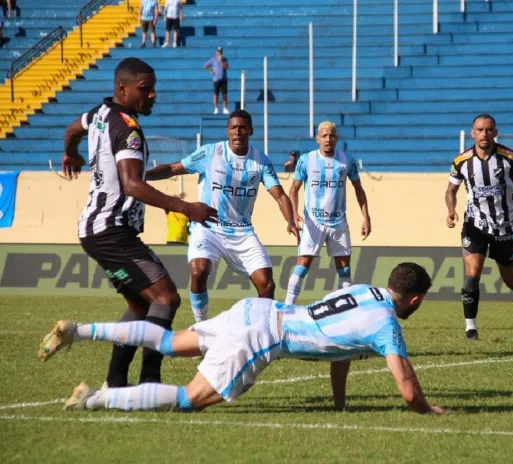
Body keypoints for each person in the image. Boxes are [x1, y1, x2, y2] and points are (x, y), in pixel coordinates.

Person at [39, 262, 446, 415]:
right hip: (265, 334)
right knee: (188, 398)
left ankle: (78, 331)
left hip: (258, 310)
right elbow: (408, 392)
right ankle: (94, 398)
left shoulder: (361, 290)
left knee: (168, 342)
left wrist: (339, 405)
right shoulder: (387, 324)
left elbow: (341, 351)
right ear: (412, 298)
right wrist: (428, 409)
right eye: (419, 303)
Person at [61, 57, 217, 388]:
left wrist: (70, 153)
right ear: (123, 88)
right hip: (112, 230)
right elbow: (133, 184)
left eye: (154, 89)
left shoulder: (100, 114)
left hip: (96, 229)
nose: (153, 95)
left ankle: (116, 382)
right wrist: (185, 207)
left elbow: (73, 129)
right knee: (166, 299)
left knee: (141, 304)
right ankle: (150, 381)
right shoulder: (126, 128)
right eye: (145, 89)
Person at [146, 110, 299, 323]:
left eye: (242, 127)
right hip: (208, 227)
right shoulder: (211, 153)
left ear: (250, 131)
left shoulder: (260, 161)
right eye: (233, 128)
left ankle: (263, 330)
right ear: (228, 131)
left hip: (242, 231)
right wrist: (142, 176)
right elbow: (173, 168)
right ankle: (202, 327)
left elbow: (280, 195)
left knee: (267, 284)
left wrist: (290, 220)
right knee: (198, 272)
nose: (238, 132)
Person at [445, 114, 513, 340]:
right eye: (480, 130)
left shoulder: (509, 158)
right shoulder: (462, 161)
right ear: (472, 133)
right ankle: (470, 328)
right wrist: (451, 210)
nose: (484, 134)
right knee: (472, 273)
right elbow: (450, 190)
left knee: (511, 280)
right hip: (474, 224)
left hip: (504, 227)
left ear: (495, 132)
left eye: (488, 130)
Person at [284, 121, 371, 305]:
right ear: (317, 139)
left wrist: (366, 217)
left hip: (338, 223)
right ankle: (287, 309)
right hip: (313, 223)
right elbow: (294, 189)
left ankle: (345, 312)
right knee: (302, 266)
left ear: (337, 138)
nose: (328, 139)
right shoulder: (306, 160)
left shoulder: (347, 161)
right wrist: (294, 215)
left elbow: (359, 190)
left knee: (345, 270)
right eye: (324, 136)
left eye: (331, 135)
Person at [204, 47, 229, 115]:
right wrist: (211, 71)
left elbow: (226, 67)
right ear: (216, 52)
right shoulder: (213, 59)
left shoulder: (224, 59)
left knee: (224, 94)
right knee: (216, 94)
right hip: (216, 79)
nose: (219, 53)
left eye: (220, 52)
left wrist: (221, 61)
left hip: (223, 79)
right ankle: (216, 108)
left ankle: (225, 108)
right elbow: (205, 65)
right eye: (218, 51)